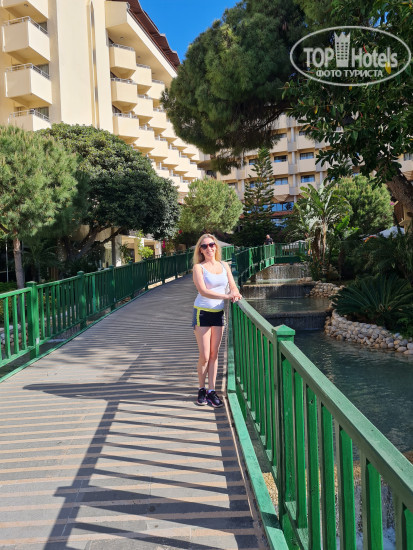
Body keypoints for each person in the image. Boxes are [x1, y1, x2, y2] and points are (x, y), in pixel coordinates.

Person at [192, 234, 242, 407]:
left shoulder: (224, 265)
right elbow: (203, 291)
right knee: (205, 355)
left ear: (216, 246)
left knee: (214, 355)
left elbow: (232, 284)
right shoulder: (198, 268)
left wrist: (235, 292)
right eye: (204, 246)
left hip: (219, 313)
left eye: (211, 245)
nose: (209, 248)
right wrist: (227, 296)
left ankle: (211, 391)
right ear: (200, 250)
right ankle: (201, 389)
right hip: (202, 313)